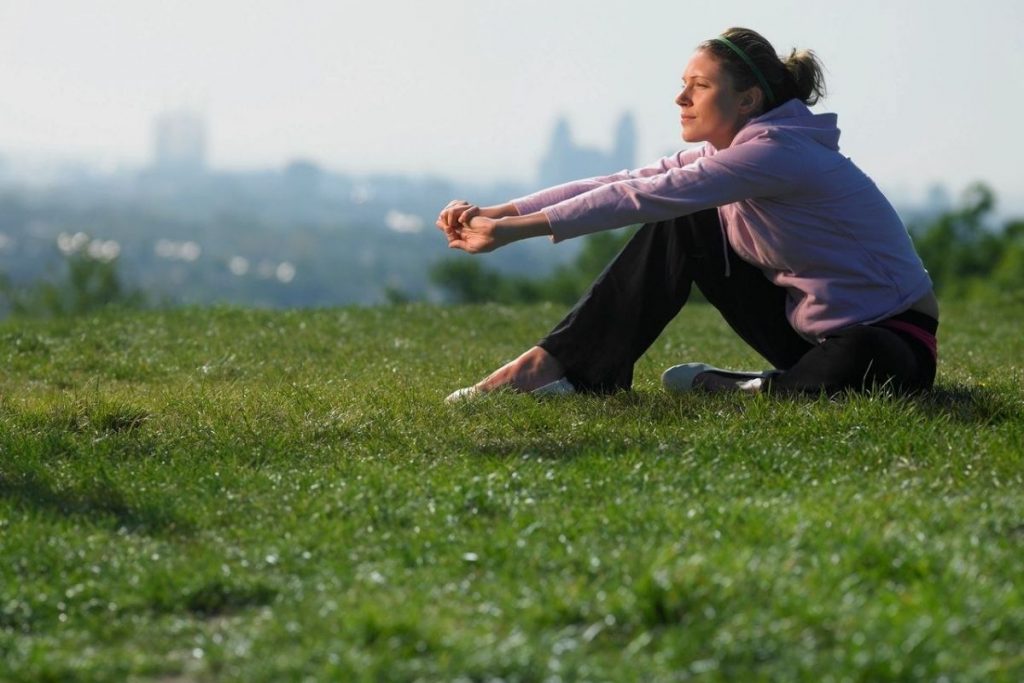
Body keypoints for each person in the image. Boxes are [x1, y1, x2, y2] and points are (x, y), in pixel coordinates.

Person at [436, 27, 939, 401]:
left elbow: (642, 197)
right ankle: (567, 368)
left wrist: (510, 233)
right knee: (687, 219)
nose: (680, 98)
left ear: (748, 100)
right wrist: (500, 212)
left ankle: (741, 388)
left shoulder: (777, 152)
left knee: (861, 362)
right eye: (683, 84)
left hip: (892, 341)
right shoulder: (733, 153)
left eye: (698, 86)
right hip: (809, 336)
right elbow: (626, 182)